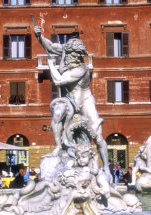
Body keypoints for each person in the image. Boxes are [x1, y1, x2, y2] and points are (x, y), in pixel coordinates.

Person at [34, 25, 110, 177]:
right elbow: (51, 46)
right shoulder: (65, 51)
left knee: (98, 136)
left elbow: (59, 80)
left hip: (85, 101)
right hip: (70, 99)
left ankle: (106, 167)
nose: (67, 56)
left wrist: (50, 66)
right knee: (57, 114)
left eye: (71, 54)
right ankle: (58, 147)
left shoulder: (80, 69)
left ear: (78, 55)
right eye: (67, 53)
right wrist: (39, 36)